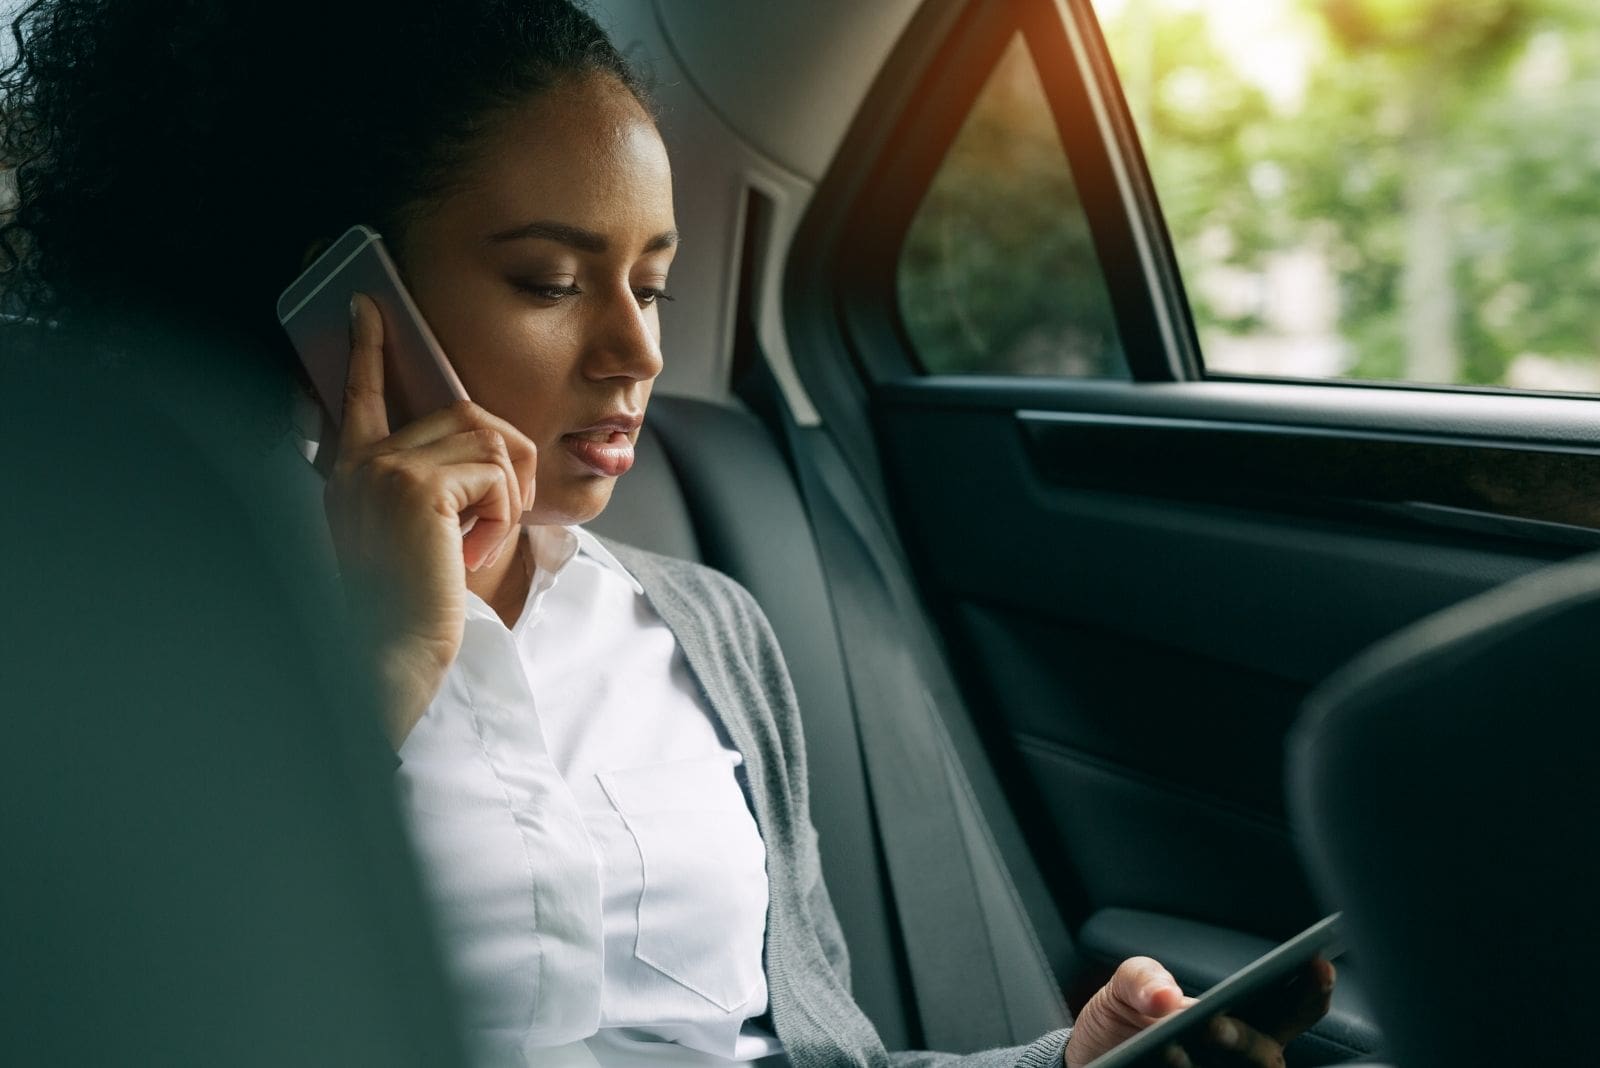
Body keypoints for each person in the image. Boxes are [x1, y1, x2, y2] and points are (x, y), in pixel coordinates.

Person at [0, 2, 1332, 1066]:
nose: (635, 352)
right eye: (549, 282)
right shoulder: (126, 631)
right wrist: (384, 664)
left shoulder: (708, 633)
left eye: (653, 283)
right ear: (336, 296)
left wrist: (1062, 1065)